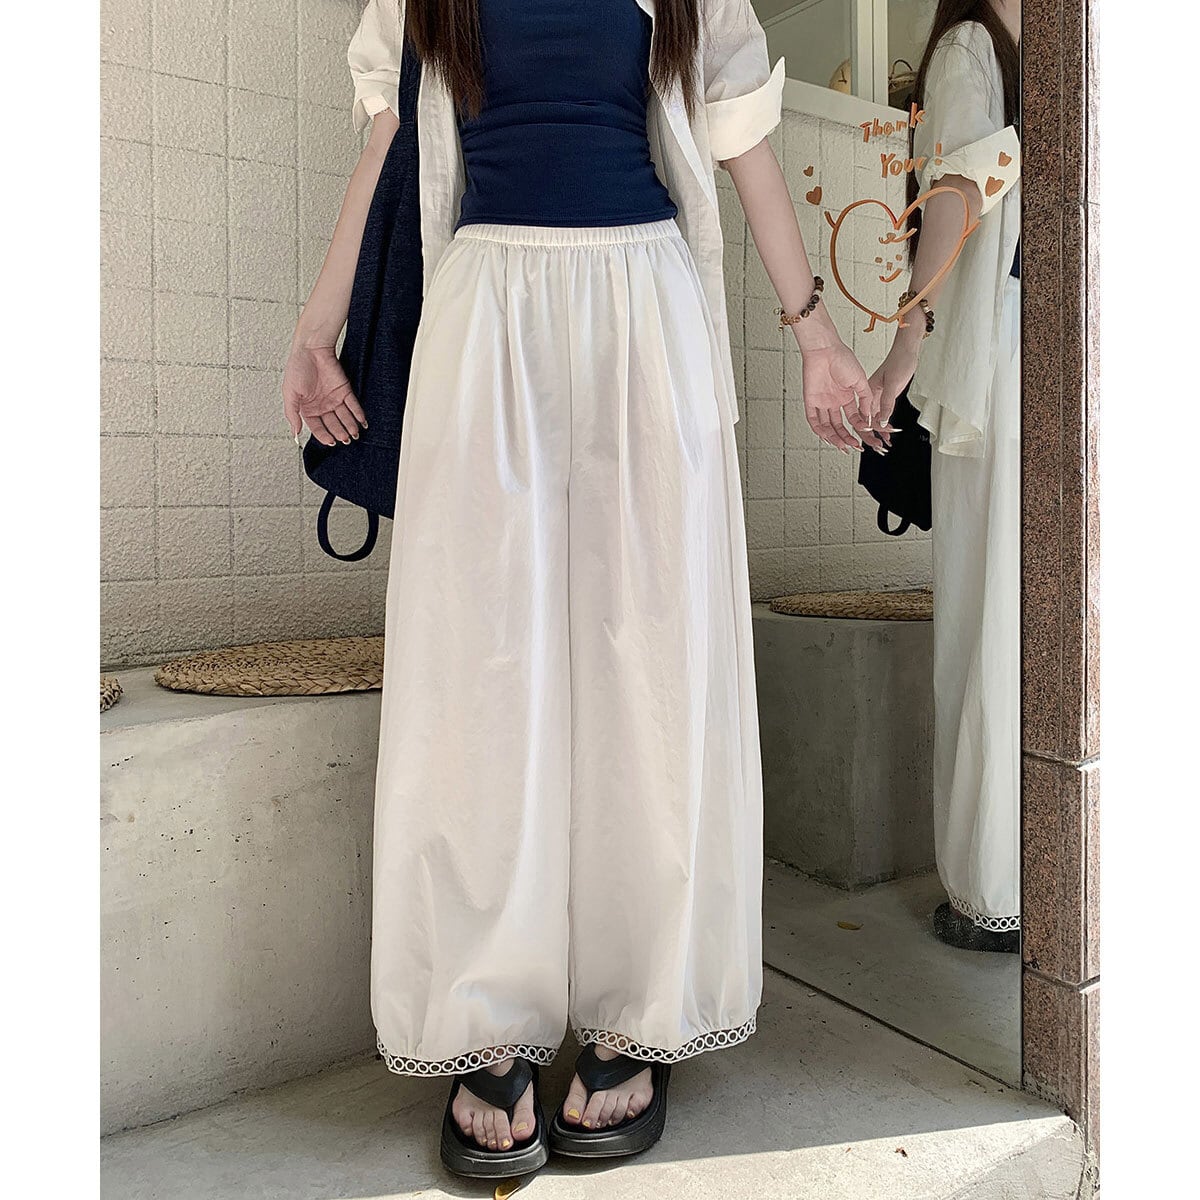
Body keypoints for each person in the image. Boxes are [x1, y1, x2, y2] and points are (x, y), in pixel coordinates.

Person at [283, 0, 881, 1177]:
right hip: (481, 311)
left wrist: (818, 337)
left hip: (645, 311)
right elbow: (387, 141)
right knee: (477, 681)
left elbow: (742, 140)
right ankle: (487, 1021)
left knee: (650, 668)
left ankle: (635, 1012)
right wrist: (318, 326)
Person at [870, 0, 1022, 953]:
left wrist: (905, 344)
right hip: (1038, 357)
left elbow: (957, 197)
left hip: (1001, 366)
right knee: (1018, 618)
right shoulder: (1020, 49)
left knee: (986, 614)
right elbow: (965, 193)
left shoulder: (971, 47)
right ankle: (1029, 877)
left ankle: (992, 886)